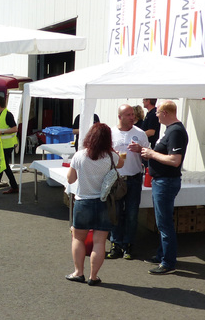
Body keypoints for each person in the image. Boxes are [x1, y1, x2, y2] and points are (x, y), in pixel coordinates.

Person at [65, 122, 125, 286]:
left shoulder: (80, 155)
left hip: (83, 201)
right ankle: (93, 276)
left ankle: (78, 273)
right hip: (105, 202)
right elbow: (121, 164)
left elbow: (70, 179)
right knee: (99, 241)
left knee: (78, 238)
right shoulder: (111, 156)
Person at [140, 100, 188, 275]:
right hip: (162, 180)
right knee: (162, 221)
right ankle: (162, 255)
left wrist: (152, 153)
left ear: (166, 113)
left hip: (166, 181)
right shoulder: (171, 130)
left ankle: (168, 262)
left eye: (158, 113)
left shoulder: (175, 131)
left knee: (164, 222)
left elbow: (175, 160)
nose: (156, 116)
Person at [106, 104, 149, 260]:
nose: (133, 117)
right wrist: (111, 153)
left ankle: (128, 245)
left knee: (132, 214)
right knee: (115, 213)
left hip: (134, 178)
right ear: (120, 117)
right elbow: (103, 155)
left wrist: (141, 151)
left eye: (133, 114)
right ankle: (115, 244)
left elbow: (147, 156)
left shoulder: (140, 133)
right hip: (116, 179)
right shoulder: (110, 133)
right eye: (128, 115)